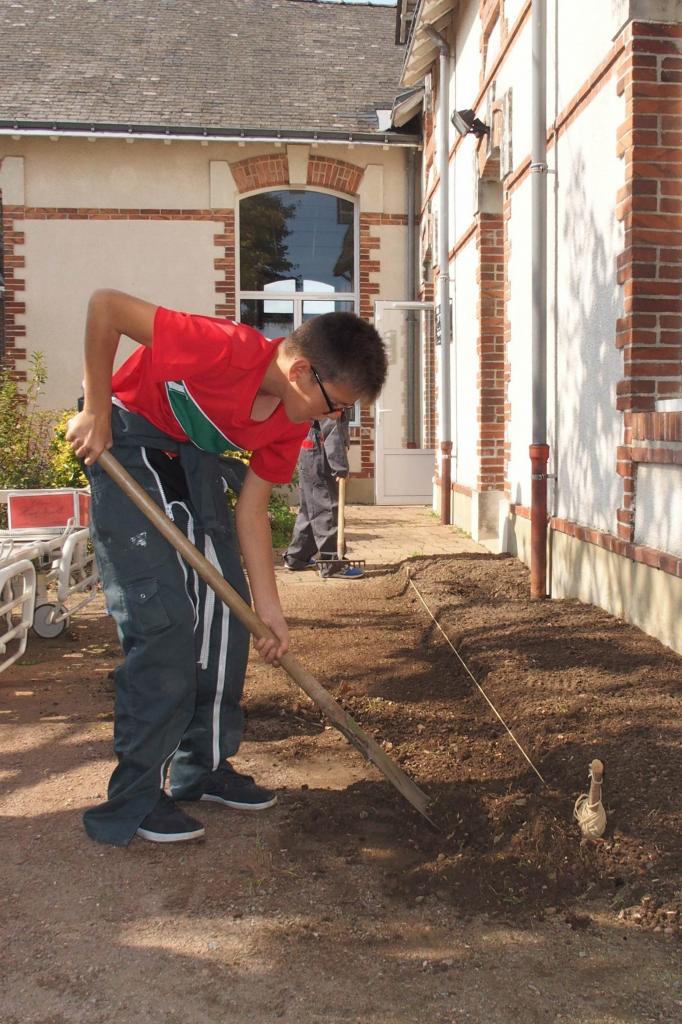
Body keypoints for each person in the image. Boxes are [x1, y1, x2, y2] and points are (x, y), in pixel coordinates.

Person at [66, 290, 387, 846]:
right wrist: (95, 407)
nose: (334, 418)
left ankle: (203, 767)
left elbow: (254, 511)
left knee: (226, 615)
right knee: (163, 624)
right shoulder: (222, 348)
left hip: (188, 454)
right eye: (335, 404)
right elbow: (106, 308)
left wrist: (270, 611)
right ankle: (134, 799)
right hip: (128, 436)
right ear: (303, 371)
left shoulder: (288, 422)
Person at [283, 412, 364, 579]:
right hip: (320, 455)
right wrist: (340, 467)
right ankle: (332, 564)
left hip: (310, 449)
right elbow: (331, 430)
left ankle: (296, 557)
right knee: (326, 507)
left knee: (309, 509)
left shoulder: (328, 391)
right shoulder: (334, 396)